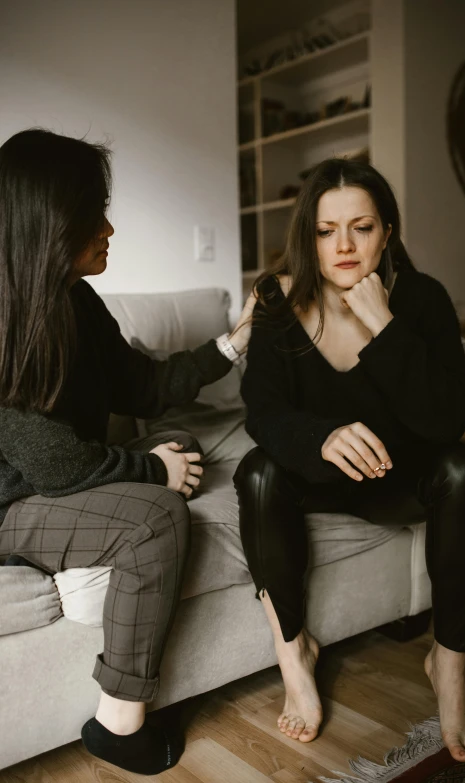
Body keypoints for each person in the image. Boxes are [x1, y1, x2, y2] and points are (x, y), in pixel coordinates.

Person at [0, 128, 255, 776]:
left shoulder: (78, 302)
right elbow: (55, 467)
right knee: (156, 516)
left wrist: (232, 341)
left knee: (183, 445)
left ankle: (153, 476)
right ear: (52, 223)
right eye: (95, 213)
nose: (109, 228)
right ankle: (119, 722)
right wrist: (150, 473)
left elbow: (142, 384)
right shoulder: (7, 319)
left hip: (62, 474)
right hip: (12, 504)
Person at [233, 158, 465, 763]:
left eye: (362, 227)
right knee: (256, 471)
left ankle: (447, 666)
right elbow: (263, 412)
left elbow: (448, 419)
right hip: (314, 480)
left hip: (399, 479)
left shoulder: (422, 298)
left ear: (388, 232)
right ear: (308, 236)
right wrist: (319, 437)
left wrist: (385, 327)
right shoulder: (276, 300)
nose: (344, 245)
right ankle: (296, 654)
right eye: (326, 231)